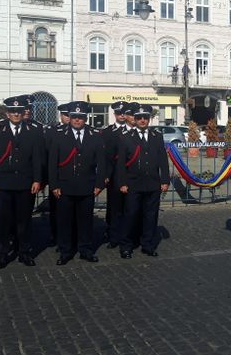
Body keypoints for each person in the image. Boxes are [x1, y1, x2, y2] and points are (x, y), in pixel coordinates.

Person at [0, 95, 44, 268]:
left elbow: (37, 158)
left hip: (25, 183)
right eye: (13, 111)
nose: (16, 114)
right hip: (4, 182)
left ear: (23, 112)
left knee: (24, 220)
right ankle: (3, 253)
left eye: (19, 111)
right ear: (7, 113)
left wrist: (37, 179)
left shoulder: (33, 130)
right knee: (4, 221)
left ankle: (24, 252)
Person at [48, 101, 105, 264]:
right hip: (64, 186)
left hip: (87, 186)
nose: (77, 120)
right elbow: (53, 163)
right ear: (70, 117)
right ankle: (65, 251)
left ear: (85, 118)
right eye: (74, 117)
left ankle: (85, 250)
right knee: (65, 221)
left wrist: (99, 184)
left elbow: (101, 163)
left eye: (80, 117)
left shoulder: (95, 136)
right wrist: (54, 185)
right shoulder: (59, 135)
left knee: (85, 221)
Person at [117, 104, 170, 258]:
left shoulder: (156, 136)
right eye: (139, 117)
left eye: (145, 117)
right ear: (134, 119)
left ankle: (148, 245)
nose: (142, 120)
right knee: (130, 215)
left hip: (152, 184)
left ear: (149, 119)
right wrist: (122, 183)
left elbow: (163, 160)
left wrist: (165, 180)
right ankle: (126, 246)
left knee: (150, 216)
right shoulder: (126, 137)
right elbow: (121, 163)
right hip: (133, 184)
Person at [44, 103, 72, 244]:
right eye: (66, 115)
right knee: (56, 208)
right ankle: (55, 233)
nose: (68, 118)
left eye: (70, 115)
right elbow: (47, 154)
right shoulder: (52, 131)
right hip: (57, 175)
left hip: (72, 176)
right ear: (61, 115)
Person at [102, 101, 128, 248]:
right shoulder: (107, 132)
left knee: (129, 206)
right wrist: (105, 175)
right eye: (119, 113)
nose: (122, 116)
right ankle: (113, 235)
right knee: (114, 207)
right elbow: (104, 156)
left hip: (129, 175)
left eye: (124, 113)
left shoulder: (132, 130)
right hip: (113, 175)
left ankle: (127, 233)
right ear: (115, 114)